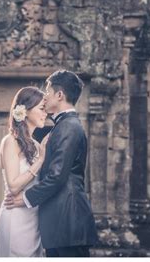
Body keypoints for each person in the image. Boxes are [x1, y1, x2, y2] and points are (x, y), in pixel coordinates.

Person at [5, 70, 98, 257]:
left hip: (68, 221)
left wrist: (25, 198)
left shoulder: (68, 127)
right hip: (61, 223)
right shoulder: (63, 126)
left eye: (47, 91)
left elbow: (57, 177)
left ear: (60, 95)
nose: (45, 97)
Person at [0, 86, 48, 257]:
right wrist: (40, 161)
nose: (45, 114)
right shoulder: (10, 141)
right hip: (15, 217)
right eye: (41, 109)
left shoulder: (38, 146)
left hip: (33, 218)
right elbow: (14, 186)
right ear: (25, 110)